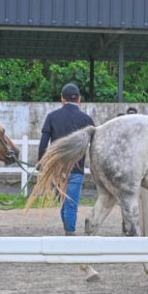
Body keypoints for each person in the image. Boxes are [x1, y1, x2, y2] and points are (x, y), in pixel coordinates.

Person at [38, 83, 95, 235]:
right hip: (76, 170)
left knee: (64, 203)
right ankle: (70, 234)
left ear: (62, 99)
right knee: (70, 204)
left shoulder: (52, 117)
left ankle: (68, 232)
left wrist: (41, 164)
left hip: (57, 170)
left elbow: (44, 143)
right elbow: (95, 147)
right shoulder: (87, 119)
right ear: (79, 100)